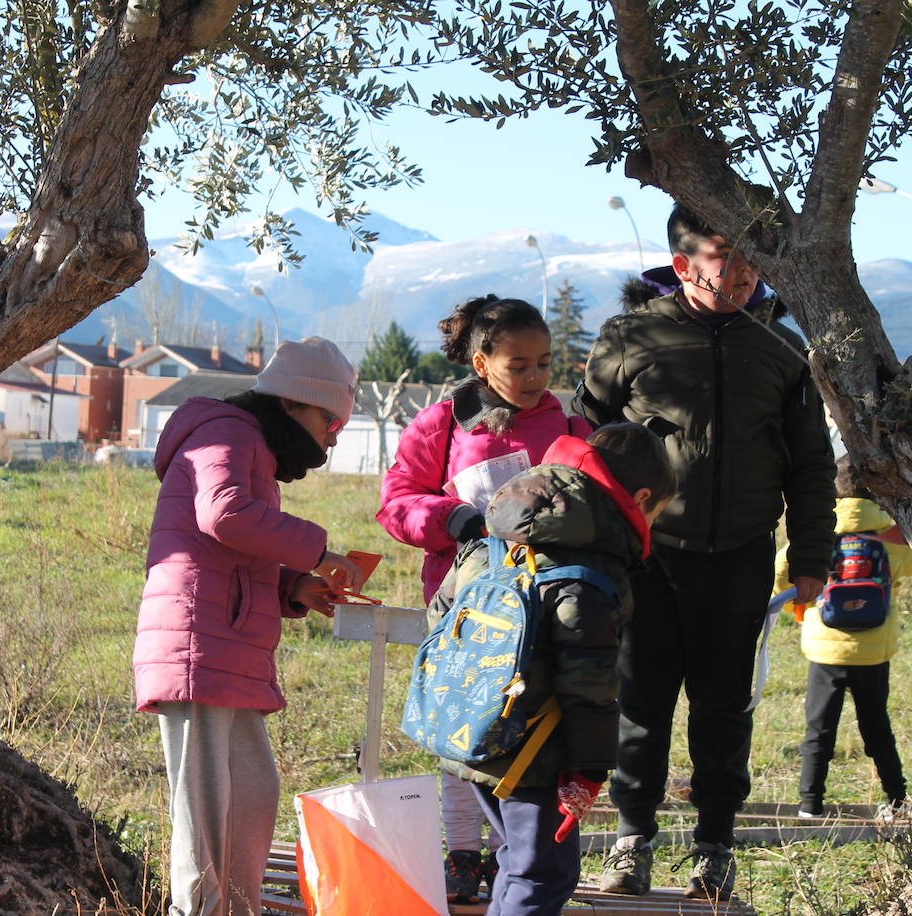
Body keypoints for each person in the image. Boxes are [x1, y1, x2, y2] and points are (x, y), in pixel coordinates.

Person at [575, 202, 836, 901]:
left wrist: (813, 554)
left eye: (756, 255)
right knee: (639, 701)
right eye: (730, 256)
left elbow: (811, 462)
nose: (748, 270)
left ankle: (715, 847)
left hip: (744, 555)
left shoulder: (781, 346)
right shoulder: (630, 338)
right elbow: (583, 450)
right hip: (645, 561)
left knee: (724, 709)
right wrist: (593, 546)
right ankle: (632, 840)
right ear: (685, 265)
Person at [133, 336, 367, 916]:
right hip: (198, 644)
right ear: (291, 403)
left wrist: (293, 585)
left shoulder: (252, 444)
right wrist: (318, 551)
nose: (334, 433)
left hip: (227, 645)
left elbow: (231, 547)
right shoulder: (229, 430)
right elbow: (226, 514)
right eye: (329, 417)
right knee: (207, 816)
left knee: (253, 797)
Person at [377, 294, 591, 903]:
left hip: (545, 611)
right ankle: (463, 853)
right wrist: (456, 519)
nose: (535, 378)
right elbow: (396, 503)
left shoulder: (572, 426)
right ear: (481, 364)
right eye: (518, 365)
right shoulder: (441, 421)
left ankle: (512, 858)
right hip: (463, 609)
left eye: (545, 363)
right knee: (462, 727)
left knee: (525, 734)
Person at [429, 422, 675, 916]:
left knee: (515, 859)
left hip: (469, 729)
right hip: (535, 754)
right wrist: (587, 769)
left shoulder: (501, 534)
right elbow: (589, 681)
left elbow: (439, 613)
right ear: (641, 497)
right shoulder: (590, 570)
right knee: (544, 873)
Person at [772, 457, 912, 821]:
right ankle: (896, 800)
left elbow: (782, 572)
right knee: (878, 729)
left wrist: (798, 608)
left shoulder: (818, 536)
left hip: (824, 652)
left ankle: (810, 806)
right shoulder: (888, 542)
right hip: (873, 655)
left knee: (818, 732)